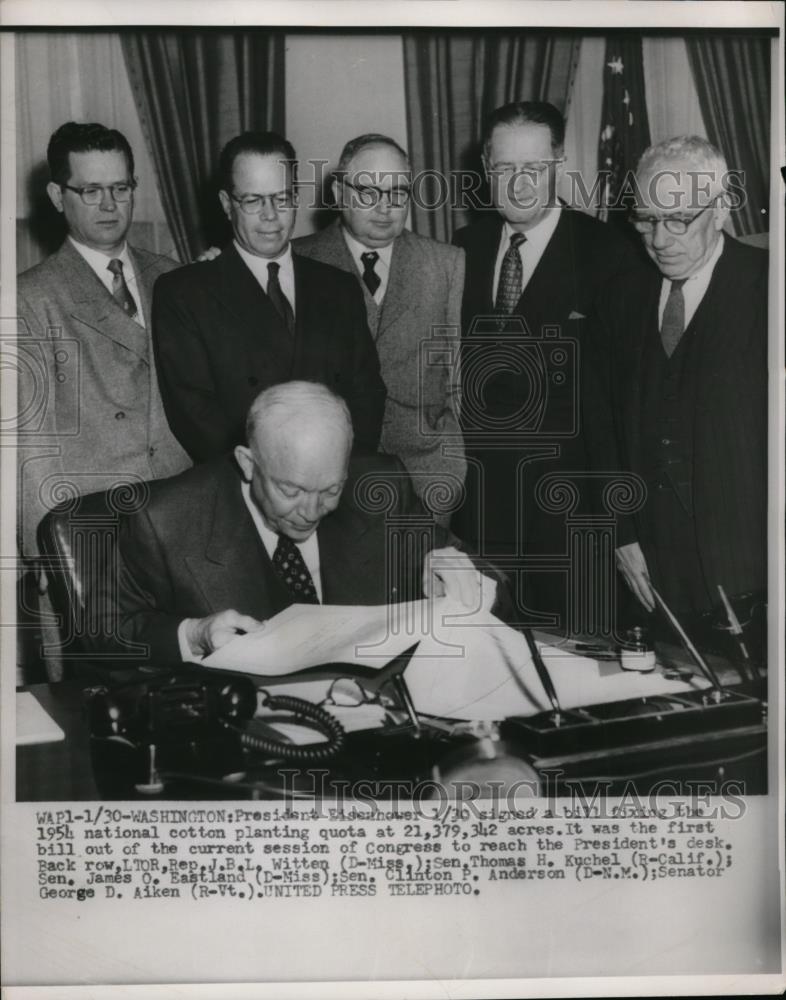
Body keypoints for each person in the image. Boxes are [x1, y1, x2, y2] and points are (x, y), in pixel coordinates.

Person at [111, 381, 497, 666]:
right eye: (290, 490)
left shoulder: (380, 489)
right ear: (248, 463)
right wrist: (192, 636)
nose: (311, 511)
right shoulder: (164, 519)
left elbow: (499, 588)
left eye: (330, 490)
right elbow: (107, 639)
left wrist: (463, 581)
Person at [16, 121, 191, 679]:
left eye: (122, 186)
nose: (110, 204)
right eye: (90, 190)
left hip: (180, 520)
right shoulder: (28, 297)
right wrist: (45, 551)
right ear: (57, 197)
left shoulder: (174, 278)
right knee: (108, 704)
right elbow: (30, 445)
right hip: (92, 532)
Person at [452, 101, 638, 623]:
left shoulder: (609, 253)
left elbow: (621, 405)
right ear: (487, 167)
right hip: (482, 518)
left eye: (533, 168)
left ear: (558, 161)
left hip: (571, 520)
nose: (518, 184)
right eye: (506, 168)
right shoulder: (464, 248)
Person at [587, 135, 767, 621]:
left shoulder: (772, 288)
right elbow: (599, 428)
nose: (659, 240)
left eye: (679, 219)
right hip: (647, 566)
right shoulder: (618, 298)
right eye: (645, 219)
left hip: (756, 566)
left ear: (723, 207)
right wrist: (620, 533)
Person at [152, 131, 386, 462]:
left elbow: (367, 396)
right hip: (246, 488)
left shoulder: (339, 288)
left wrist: (332, 474)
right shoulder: (184, 293)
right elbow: (196, 415)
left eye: (281, 198)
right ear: (225, 204)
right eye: (252, 200)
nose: (270, 215)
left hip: (336, 481)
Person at [294, 134, 466, 522]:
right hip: (326, 481)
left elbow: (458, 379)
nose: (385, 208)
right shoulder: (297, 260)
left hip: (426, 481)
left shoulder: (446, 264)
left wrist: (450, 469)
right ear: (339, 192)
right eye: (368, 192)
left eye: (398, 193)